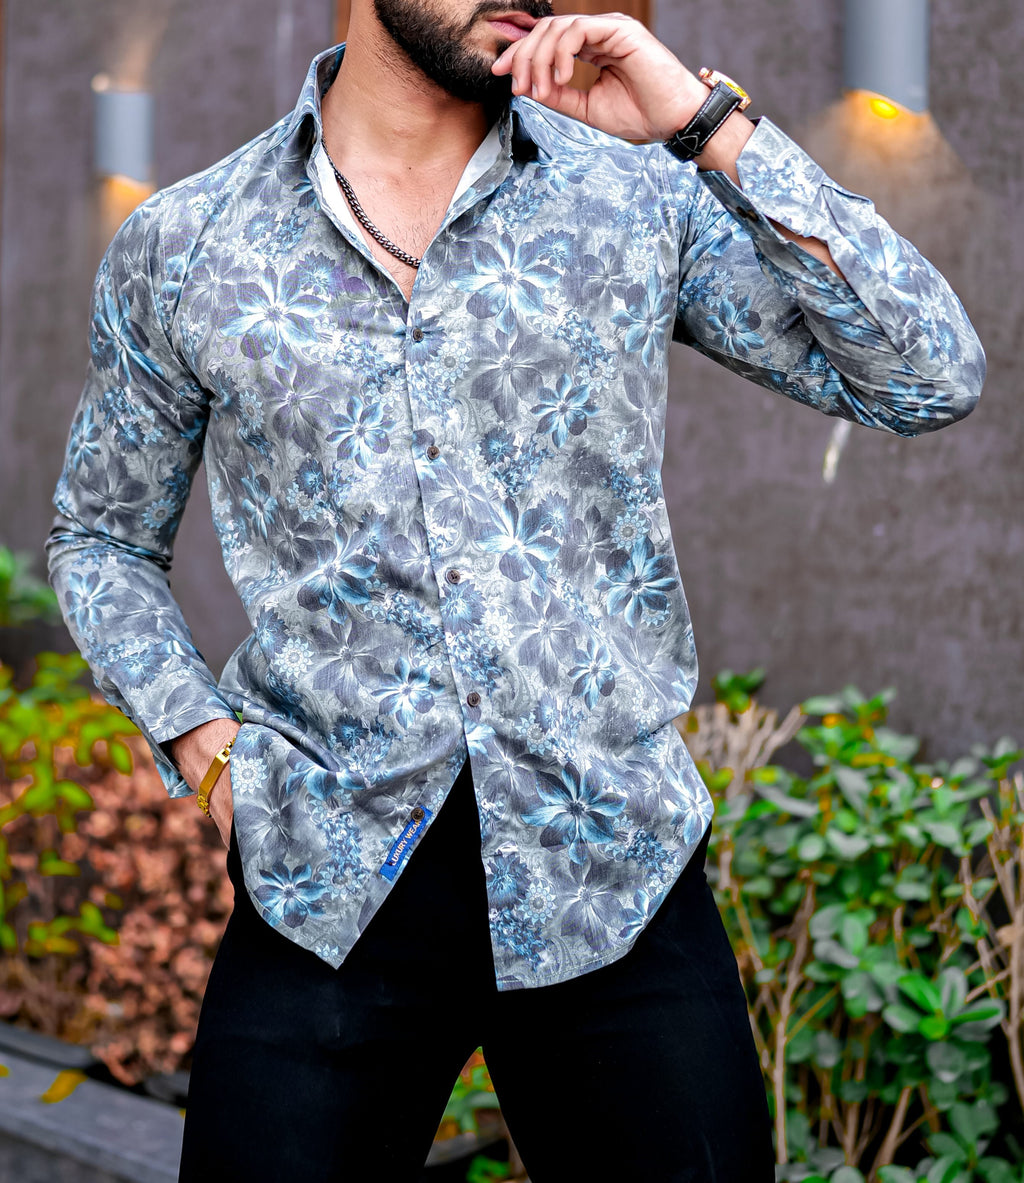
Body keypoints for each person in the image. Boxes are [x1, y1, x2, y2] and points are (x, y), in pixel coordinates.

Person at [46, 3, 985, 1179]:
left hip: (614, 874)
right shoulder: (186, 243)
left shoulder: (633, 197)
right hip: (328, 880)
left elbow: (927, 374)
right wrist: (202, 745)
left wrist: (702, 123)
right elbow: (99, 538)